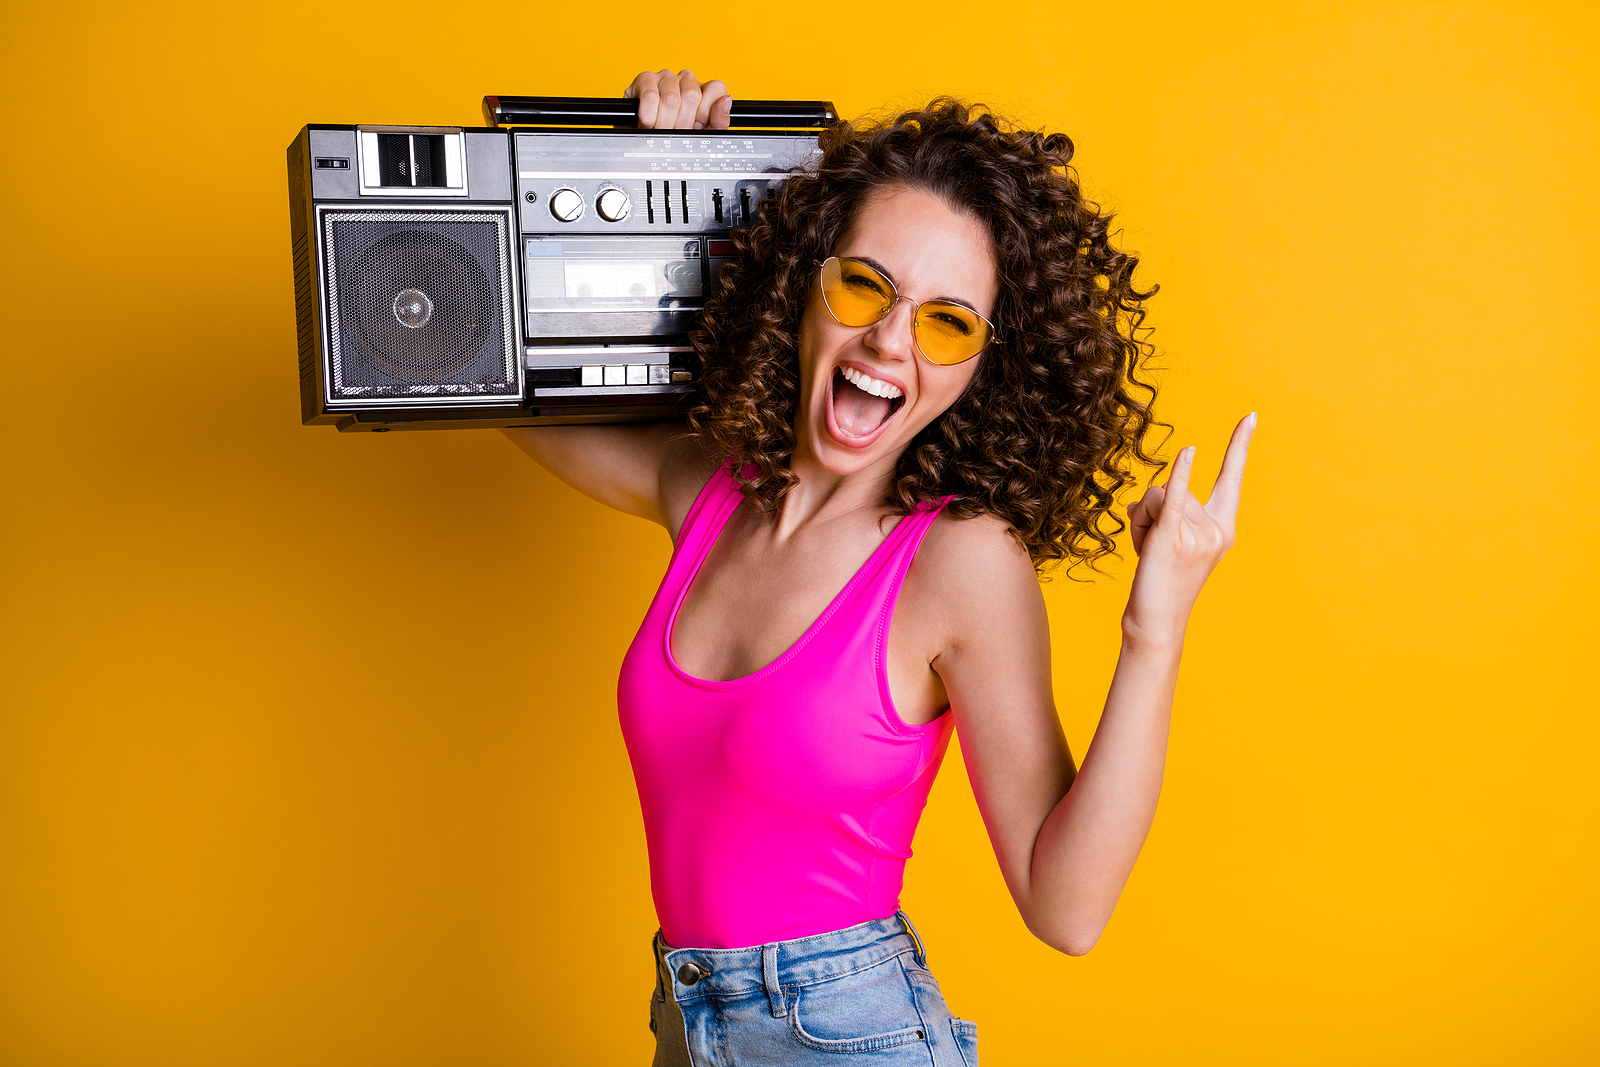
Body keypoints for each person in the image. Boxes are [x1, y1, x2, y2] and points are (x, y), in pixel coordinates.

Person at [504, 69, 1255, 1066]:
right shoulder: (711, 492)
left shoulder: (958, 564)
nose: (889, 341)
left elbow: (1065, 908)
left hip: (845, 1035)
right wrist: (648, 183)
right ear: (801, 283)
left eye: (947, 322)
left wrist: (1152, 632)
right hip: (688, 1027)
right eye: (865, 285)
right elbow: (492, 381)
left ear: (984, 362)